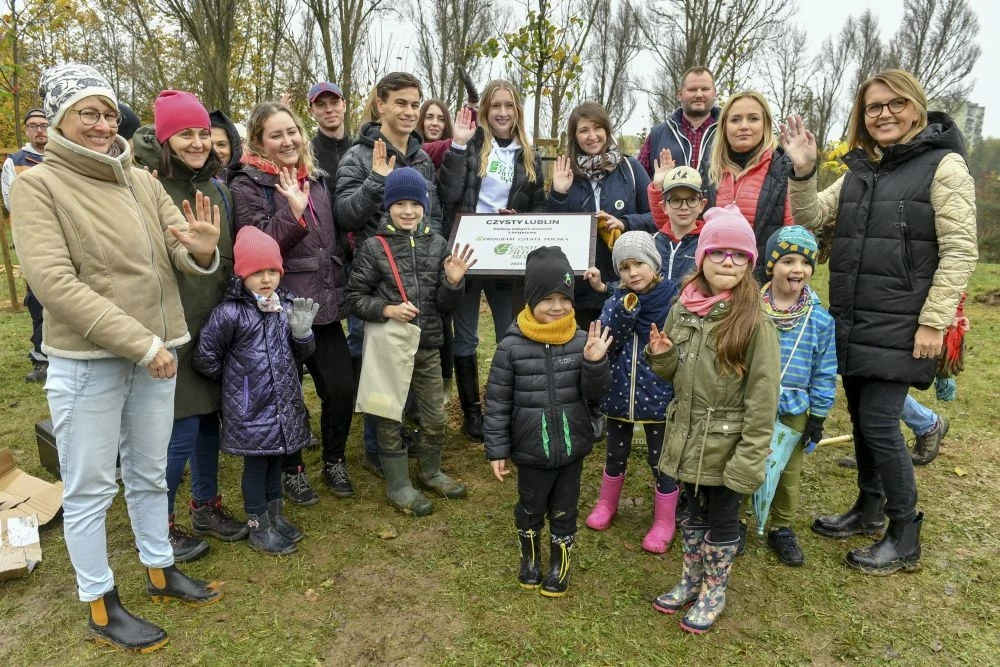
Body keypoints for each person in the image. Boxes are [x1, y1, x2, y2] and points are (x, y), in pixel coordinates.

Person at [11, 63, 222, 653]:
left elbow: (180, 250)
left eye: (109, 113)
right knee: (90, 488)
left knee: (150, 473)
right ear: (60, 120)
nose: (104, 125)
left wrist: (202, 253)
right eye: (88, 113)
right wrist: (142, 343)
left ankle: (159, 569)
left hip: (157, 355)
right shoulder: (38, 185)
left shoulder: (141, 180)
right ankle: (100, 603)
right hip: (90, 361)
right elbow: (55, 284)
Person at [782, 68, 977, 575]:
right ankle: (868, 508)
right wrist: (803, 172)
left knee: (879, 423)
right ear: (862, 116)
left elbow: (960, 250)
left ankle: (904, 534)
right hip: (853, 316)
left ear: (916, 107)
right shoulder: (861, 171)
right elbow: (812, 218)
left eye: (895, 104)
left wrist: (934, 320)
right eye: (873, 107)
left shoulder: (944, 166)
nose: (884, 114)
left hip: (905, 321)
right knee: (862, 420)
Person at [646, 205, 780, 633]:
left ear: (750, 262)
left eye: (739, 255)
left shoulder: (755, 323)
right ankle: (691, 580)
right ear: (702, 256)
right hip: (686, 437)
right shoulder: (682, 308)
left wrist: (750, 459)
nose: (728, 262)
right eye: (718, 252)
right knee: (691, 512)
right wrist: (663, 356)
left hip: (728, 446)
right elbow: (675, 374)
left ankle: (713, 590)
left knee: (721, 520)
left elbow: (763, 400)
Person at [132, 90, 248, 563]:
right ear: (165, 139)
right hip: (171, 327)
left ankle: (206, 505)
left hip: (215, 326)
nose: (198, 143)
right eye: (185, 134)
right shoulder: (146, 187)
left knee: (208, 424)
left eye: (203, 133)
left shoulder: (219, 188)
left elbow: (227, 258)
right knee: (177, 431)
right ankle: (157, 524)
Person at [229, 101, 354, 505]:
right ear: (258, 141)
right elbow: (255, 247)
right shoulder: (246, 185)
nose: (287, 141)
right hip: (278, 310)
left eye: (292, 132)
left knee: (341, 389)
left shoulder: (316, 178)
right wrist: (293, 212)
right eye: (276, 135)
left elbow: (333, 239)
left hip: (323, 307)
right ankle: (292, 470)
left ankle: (334, 459)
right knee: (285, 396)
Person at [484, 246, 612, 597]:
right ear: (531, 299)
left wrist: (595, 363)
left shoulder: (583, 340)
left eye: (564, 298)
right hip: (530, 450)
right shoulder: (510, 347)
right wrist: (497, 449)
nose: (557, 307)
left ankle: (559, 564)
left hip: (572, 449)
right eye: (547, 299)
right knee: (530, 508)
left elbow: (595, 393)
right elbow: (498, 402)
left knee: (564, 510)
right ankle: (529, 559)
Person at [347, 167, 475, 515]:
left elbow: (446, 305)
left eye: (415, 204)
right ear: (388, 206)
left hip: (428, 347)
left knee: (435, 416)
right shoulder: (374, 248)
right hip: (390, 348)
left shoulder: (438, 244)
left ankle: (430, 471)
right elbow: (354, 298)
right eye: (399, 203)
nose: (408, 211)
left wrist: (454, 282)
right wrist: (387, 309)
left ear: (424, 205)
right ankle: (399, 485)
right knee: (390, 416)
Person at [334, 72, 443, 476]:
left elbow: (434, 214)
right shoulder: (357, 156)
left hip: (419, 278)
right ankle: (376, 448)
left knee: (413, 362)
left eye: (415, 104)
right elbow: (344, 215)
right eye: (401, 103)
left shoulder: (422, 157)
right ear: (380, 104)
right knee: (377, 368)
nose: (410, 112)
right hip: (377, 282)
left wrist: (435, 254)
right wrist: (375, 182)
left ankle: (403, 435)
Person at [195, 226, 319, 555]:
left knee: (276, 462)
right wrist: (238, 384)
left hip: (282, 405)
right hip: (251, 409)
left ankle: (274, 517)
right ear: (242, 275)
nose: (265, 279)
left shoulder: (284, 307)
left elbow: (301, 354)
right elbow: (205, 357)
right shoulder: (230, 313)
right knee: (256, 468)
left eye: (272, 271)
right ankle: (258, 527)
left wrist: (303, 335)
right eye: (256, 273)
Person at [439, 80, 547, 441]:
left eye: (509, 106)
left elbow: (539, 206)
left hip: (506, 258)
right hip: (468, 254)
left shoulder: (528, 154)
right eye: (496, 105)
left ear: (517, 111)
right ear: (485, 109)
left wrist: (520, 218)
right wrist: (457, 147)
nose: (502, 113)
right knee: (466, 335)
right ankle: (472, 413)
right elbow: (448, 193)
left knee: (509, 334)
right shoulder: (470, 145)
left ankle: (506, 407)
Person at [581, 232, 679, 553]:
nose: (633, 273)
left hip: (658, 395)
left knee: (660, 460)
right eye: (624, 268)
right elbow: (609, 343)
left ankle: (664, 521)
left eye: (639, 264)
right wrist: (624, 311)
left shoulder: (672, 301)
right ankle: (607, 504)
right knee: (615, 453)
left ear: (654, 264)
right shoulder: (615, 301)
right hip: (620, 393)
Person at [754, 225, 836, 566]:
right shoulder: (750, 310)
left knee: (788, 470)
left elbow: (824, 371)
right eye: (788, 261)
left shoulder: (820, 320)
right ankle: (737, 519)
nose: (797, 269)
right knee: (745, 461)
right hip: (752, 404)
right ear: (771, 266)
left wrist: (817, 417)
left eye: (805, 262)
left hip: (794, 409)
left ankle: (782, 526)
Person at [548, 101, 654, 328]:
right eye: (584, 130)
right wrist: (558, 194)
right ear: (574, 136)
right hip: (579, 285)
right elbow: (553, 230)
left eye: (597, 128)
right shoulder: (566, 172)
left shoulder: (630, 168)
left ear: (607, 130)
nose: (592, 136)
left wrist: (625, 223)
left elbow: (655, 217)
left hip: (625, 280)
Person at [707, 91, 793, 278]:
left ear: (765, 124)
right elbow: (685, 225)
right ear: (724, 126)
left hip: (764, 282)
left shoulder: (784, 169)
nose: (744, 126)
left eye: (753, 119)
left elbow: (795, 234)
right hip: (717, 280)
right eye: (735, 120)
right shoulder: (710, 172)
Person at [2, 108, 49, 382]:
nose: (40, 130)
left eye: (44, 125)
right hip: (35, 239)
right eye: (34, 126)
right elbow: (12, 201)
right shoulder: (16, 161)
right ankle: (42, 359)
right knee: (39, 299)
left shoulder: (63, 156)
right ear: (27, 130)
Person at [637, 66, 720, 177]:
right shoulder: (656, 135)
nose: (699, 95)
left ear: (714, 93)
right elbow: (638, 182)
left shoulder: (728, 132)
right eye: (692, 90)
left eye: (705, 89)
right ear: (680, 94)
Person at [647, 159, 707, 288]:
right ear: (664, 207)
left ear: (702, 205)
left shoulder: (708, 243)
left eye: (692, 200)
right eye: (675, 200)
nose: (684, 207)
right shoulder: (652, 242)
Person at [308, 81, 351, 190]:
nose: (329, 110)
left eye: (334, 102)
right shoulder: (306, 155)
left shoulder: (361, 149)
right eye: (320, 105)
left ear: (344, 105)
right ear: (311, 111)